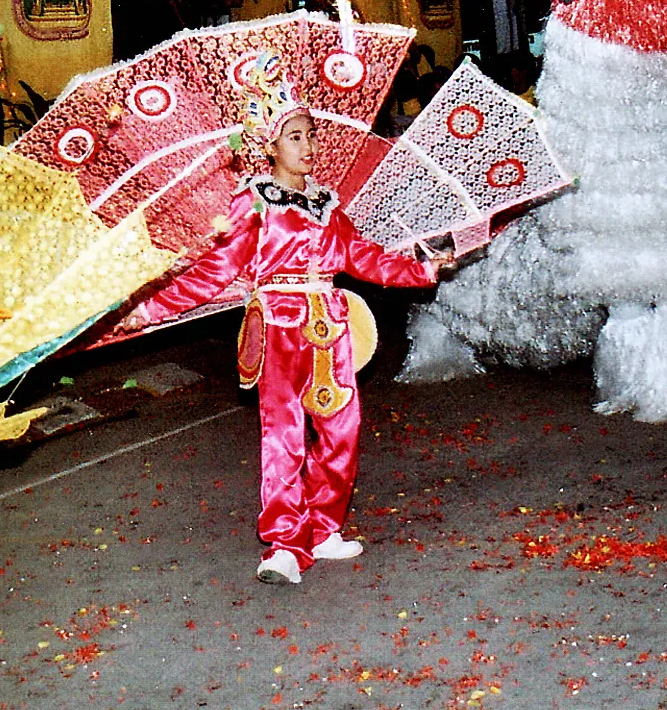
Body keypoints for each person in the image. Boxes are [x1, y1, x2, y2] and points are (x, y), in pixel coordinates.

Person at [125, 53, 445, 585]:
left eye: (310, 136)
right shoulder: (253, 203)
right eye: (295, 137)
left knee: (343, 429)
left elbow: (363, 258)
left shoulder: (327, 203)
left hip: (332, 327)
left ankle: (323, 530)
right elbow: (212, 273)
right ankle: (282, 546)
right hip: (278, 325)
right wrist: (150, 309)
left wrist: (421, 269)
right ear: (270, 146)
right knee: (284, 435)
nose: (308, 147)